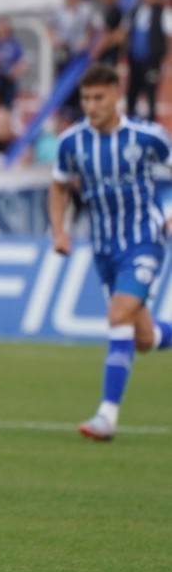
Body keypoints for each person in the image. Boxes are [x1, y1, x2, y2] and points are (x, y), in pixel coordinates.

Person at [48, 64, 172, 442]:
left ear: (116, 95)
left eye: (99, 97)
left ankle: (107, 415)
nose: (91, 106)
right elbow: (58, 186)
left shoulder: (148, 137)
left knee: (118, 315)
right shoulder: (71, 142)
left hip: (144, 240)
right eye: (86, 98)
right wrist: (59, 230)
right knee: (143, 338)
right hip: (103, 248)